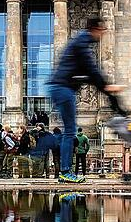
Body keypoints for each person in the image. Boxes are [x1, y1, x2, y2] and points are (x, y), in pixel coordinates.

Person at [48, 17, 122, 184]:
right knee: (70, 131)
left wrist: (103, 87)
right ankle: (65, 172)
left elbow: (88, 74)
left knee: (68, 131)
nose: (103, 34)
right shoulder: (82, 43)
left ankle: (64, 171)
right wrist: (107, 86)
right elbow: (92, 70)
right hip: (62, 89)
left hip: (60, 88)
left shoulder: (80, 42)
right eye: (102, 31)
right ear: (95, 29)